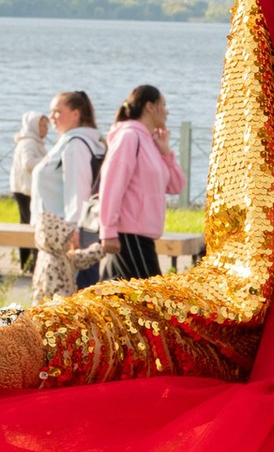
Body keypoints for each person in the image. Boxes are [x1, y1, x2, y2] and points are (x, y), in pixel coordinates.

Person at [92, 84, 186, 282]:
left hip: (141, 235)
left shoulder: (150, 142)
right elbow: (111, 184)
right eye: (163, 105)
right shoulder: (129, 137)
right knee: (152, 294)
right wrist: (108, 231)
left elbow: (176, 185)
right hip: (129, 233)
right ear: (150, 107)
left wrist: (166, 152)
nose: (167, 111)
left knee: (116, 294)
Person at [26, 91, 104, 303]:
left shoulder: (75, 145)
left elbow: (78, 189)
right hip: (57, 237)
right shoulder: (72, 141)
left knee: (68, 300)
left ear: (76, 114)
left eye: (57, 111)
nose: (51, 116)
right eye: (51, 111)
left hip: (65, 238)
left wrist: (74, 231)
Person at [8, 106, 49, 233]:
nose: (46, 129)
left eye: (46, 126)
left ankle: (25, 245)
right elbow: (28, 163)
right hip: (24, 188)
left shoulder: (35, 141)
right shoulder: (29, 142)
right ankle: (24, 246)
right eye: (42, 126)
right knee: (27, 223)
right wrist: (48, 160)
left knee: (27, 221)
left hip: (26, 187)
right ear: (34, 126)